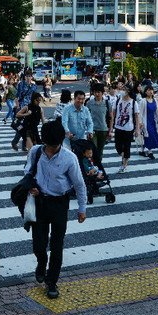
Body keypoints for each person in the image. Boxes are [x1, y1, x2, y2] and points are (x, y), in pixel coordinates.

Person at [27, 120, 87, 299]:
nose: (52, 150)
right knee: (39, 243)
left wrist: (82, 208)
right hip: (39, 202)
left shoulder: (69, 158)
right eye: (49, 146)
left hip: (60, 203)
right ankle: (41, 262)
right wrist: (31, 186)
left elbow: (79, 184)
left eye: (55, 146)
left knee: (57, 245)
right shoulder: (36, 151)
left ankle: (51, 281)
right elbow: (27, 172)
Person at [111, 87, 139, 173]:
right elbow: (113, 113)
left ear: (128, 92)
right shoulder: (117, 100)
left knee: (127, 146)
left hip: (128, 128)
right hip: (118, 127)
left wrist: (137, 129)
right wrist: (111, 125)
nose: (122, 91)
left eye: (124, 89)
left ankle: (124, 165)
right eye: (121, 89)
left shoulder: (134, 103)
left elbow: (137, 116)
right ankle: (124, 156)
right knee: (118, 146)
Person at [12, 72, 37, 151]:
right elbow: (16, 96)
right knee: (21, 126)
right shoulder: (20, 84)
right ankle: (15, 141)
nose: (28, 78)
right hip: (22, 108)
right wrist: (18, 106)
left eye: (30, 76)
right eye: (27, 76)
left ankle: (24, 145)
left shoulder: (34, 86)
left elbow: (34, 97)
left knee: (27, 126)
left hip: (30, 108)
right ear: (25, 77)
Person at [86, 83, 112, 156]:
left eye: (99, 92)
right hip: (92, 129)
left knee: (100, 150)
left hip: (103, 129)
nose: (97, 94)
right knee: (94, 148)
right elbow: (86, 117)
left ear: (102, 93)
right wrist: (87, 130)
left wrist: (110, 131)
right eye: (95, 92)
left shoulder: (107, 103)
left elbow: (111, 117)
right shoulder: (89, 103)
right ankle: (93, 165)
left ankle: (98, 165)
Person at [138, 85, 158, 160]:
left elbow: (157, 112)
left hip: (152, 120)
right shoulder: (143, 101)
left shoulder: (155, 100)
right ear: (145, 92)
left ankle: (142, 150)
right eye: (148, 90)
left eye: (151, 90)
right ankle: (150, 152)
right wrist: (140, 122)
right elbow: (140, 113)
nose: (150, 91)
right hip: (145, 120)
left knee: (146, 135)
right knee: (149, 134)